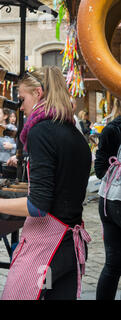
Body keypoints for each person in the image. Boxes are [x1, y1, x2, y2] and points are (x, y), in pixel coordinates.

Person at [0, 66, 92, 300]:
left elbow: (37, 206)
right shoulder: (74, 133)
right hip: (69, 250)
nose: (20, 107)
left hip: (47, 251)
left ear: (38, 93)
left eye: (22, 99)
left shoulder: (41, 132)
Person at [94, 100, 121, 300]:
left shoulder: (110, 129)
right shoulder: (113, 129)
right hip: (117, 201)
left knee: (113, 264)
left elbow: (100, 170)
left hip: (106, 201)